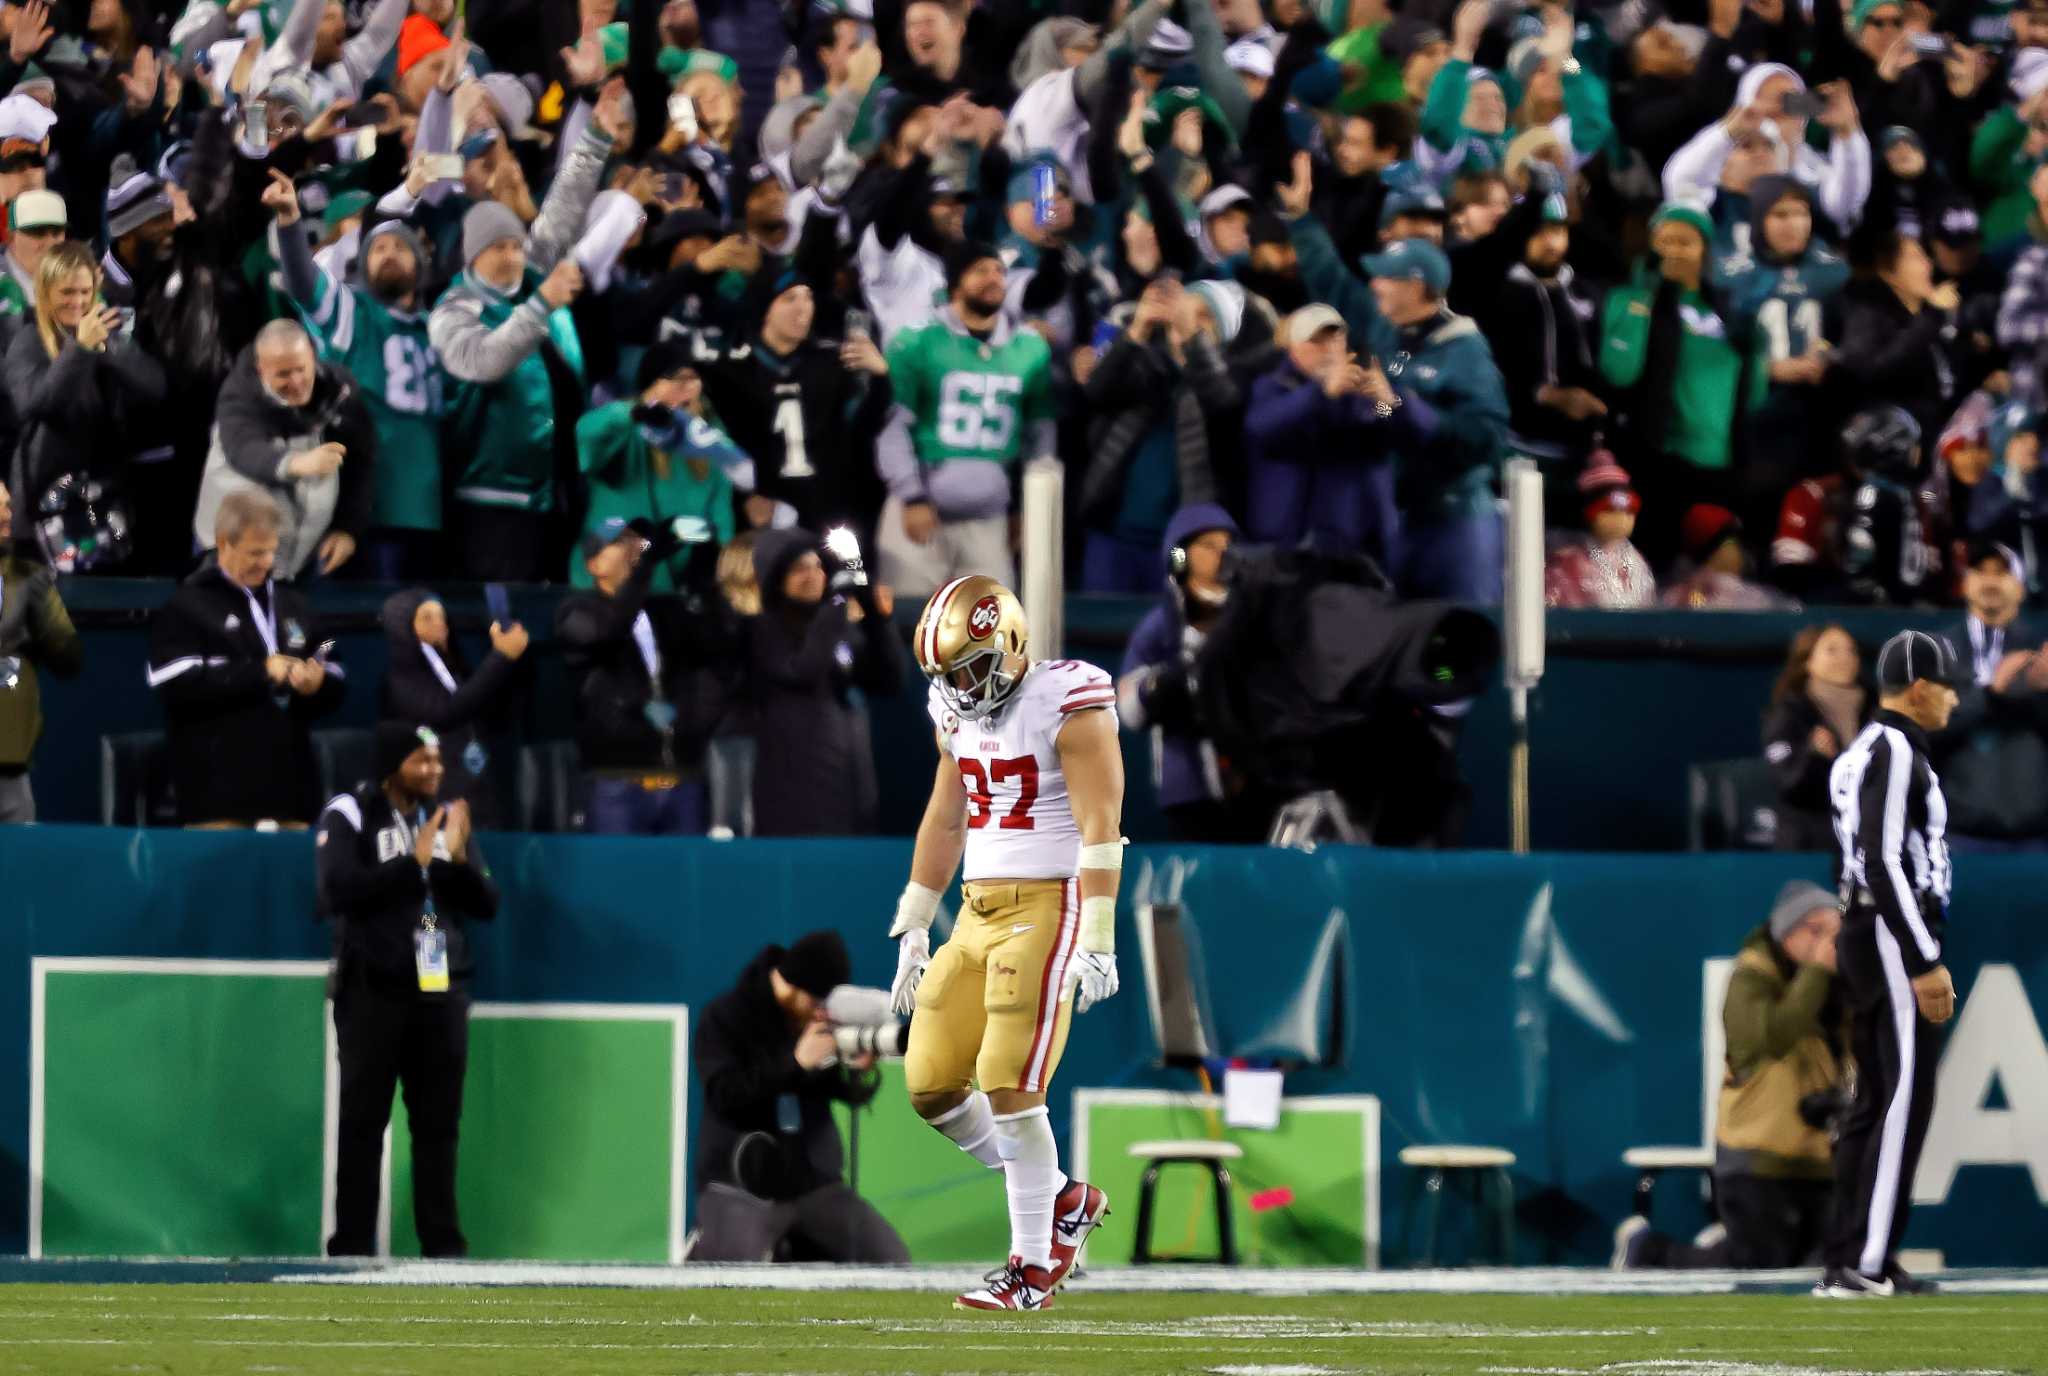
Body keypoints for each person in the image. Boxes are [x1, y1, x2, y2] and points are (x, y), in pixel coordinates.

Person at [887, 575, 1121, 1310]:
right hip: (977, 911)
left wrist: (1101, 934)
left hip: (1049, 905)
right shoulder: (953, 712)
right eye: (946, 674)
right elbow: (946, 817)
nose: (960, 687)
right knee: (929, 1082)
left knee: (1009, 1082)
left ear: (1009, 642)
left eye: (969, 667)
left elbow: (1101, 825)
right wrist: (916, 920)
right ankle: (1062, 1200)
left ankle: (1031, 1266)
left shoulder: (1067, 699)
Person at [317, 722, 500, 1259]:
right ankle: (351, 1244)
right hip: (372, 989)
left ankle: (442, 1245)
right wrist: (411, 863)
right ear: (393, 763)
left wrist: (459, 862)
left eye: (438, 761)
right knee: (363, 1121)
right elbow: (337, 889)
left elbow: (487, 904)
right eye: (422, 761)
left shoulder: (444, 817)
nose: (435, 771)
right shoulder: (351, 812)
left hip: (438, 989)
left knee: (438, 1124)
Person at [429, 88, 624, 581]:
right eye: (499, 248)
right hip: (488, 500)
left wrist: (596, 137)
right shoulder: (454, 308)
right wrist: (541, 304)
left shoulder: (529, 283)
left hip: (551, 486)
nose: (513, 256)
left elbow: (560, 212)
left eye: (516, 245)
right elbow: (485, 361)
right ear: (473, 256)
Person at [1819, 629, 1961, 1298]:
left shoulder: (1858, 753)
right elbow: (1882, 860)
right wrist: (1923, 954)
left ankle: (1855, 1249)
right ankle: (1865, 1261)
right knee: (1905, 1090)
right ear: (1922, 687)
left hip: (1868, 926)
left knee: (1876, 1093)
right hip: (1889, 928)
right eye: (1948, 686)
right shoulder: (1895, 747)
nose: (1955, 700)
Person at [1614, 881, 1845, 1270]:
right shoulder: (1750, 978)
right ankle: (1646, 1250)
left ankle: (1721, 1243)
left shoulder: (1834, 986)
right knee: (1757, 1266)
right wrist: (1819, 973)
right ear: (1787, 931)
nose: (1829, 944)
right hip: (1757, 1155)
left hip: (1816, 1153)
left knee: (1821, 1265)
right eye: (1817, 930)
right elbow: (1773, 1038)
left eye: (1836, 933)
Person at [267, 170, 448, 582]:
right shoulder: (353, 313)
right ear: (362, 263)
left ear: (419, 262)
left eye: (399, 247)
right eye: (377, 247)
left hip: (430, 509)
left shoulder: (437, 328)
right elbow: (303, 282)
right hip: (368, 508)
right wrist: (291, 223)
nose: (387, 253)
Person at [690, 930, 909, 1264]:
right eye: (816, 1000)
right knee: (727, 1274)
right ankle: (702, 1248)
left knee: (891, 1259)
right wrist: (795, 1063)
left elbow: (842, 1091)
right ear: (796, 986)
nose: (819, 1011)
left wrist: (859, 1071)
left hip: (813, 1185)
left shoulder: (811, 1019)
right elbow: (725, 1096)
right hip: (738, 1185)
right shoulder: (724, 1017)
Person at [147, 490, 345, 828]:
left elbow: (332, 656)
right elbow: (174, 683)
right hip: (217, 796)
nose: (266, 562)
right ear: (224, 543)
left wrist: (319, 682)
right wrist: (261, 671)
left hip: (291, 792)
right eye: (256, 552)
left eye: (271, 551)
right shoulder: (187, 606)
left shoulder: (294, 604)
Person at [875, 241, 1055, 600]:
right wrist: (911, 496)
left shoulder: (1030, 348)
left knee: (991, 632)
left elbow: (1040, 437)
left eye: (1000, 272)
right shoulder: (916, 341)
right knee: (912, 623)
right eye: (981, 271)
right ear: (955, 284)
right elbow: (892, 428)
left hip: (990, 515)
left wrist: (1026, 505)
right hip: (921, 507)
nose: (994, 279)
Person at [556, 519, 730, 836]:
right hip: (617, 779)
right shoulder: (576, 611)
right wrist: (647, 565)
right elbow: (607, 632)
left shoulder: (663, 611)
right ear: (594, 564)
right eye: (619, 542)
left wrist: (703, 560)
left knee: (684, 879)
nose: (631, 547)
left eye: (635, 541)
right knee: (619, 880)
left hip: (680, 776)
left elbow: (716, 648)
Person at [5, 241, 166, 573]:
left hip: (103, 500)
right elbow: (37, 404)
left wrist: (108, 350)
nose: (77, 302)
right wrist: (80, 349)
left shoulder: (108, 335)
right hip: (43, 506)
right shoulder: (26, 340)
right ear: (46, 291)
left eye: (84, 291)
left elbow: (155, 388)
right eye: (66, 292)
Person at [193, 320, 379, 582]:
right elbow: (243, 449)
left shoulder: (339, 393)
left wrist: (348, 528)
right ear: (261, 370)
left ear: (313, 358)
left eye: (302, 369)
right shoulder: (239, 394)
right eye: (283, 374)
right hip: (231, 549)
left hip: (302, 558)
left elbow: (361, 463)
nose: (296, 381)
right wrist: (295, 464)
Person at [747, 526, 902, 836]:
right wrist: (836, 604)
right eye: (799, 569)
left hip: (849, 775)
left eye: (817, 565)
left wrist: (875, 617)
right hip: (794, 783)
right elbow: (804, 670)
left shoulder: (839, 628)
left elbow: (889, 680)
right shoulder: (764, 630)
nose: (813, 575)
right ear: (777, 580)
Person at [1117, 504, 1259, 842]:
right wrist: (1160, 686)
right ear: (1180, 556)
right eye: (1209, 545)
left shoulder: (1251, 614)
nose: (1222, 554)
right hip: (1187, 783)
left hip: (1251, 775)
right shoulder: (1161, 626)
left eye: (1228, 546)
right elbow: (1128, 705)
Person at [1240, 301, 1398, 568]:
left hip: (1349, 540)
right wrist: (1321, 393)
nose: (1329, 350)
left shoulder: (1356, 391)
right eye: (1316, 342)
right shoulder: (1271, 386)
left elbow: (1380, 437)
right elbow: (1261, 427)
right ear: (1293, 349)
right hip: (1285, 540)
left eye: (1336, 340)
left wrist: (1387, 403)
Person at [1931, 542, 2048, 853]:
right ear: (1965, 584)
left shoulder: (2042, 649)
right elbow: (1924, 729)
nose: (1990, 580)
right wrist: (1990, 695)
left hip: (2036, 835)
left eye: (2002, 573)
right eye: (1980, 571)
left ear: (2021, 588)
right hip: (1960, 833)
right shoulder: (1937, 651)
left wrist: (2042, 694)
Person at [379, 588, 530, 819]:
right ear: (403, 626)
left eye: (442, 616)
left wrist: (512, 658)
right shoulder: (400, 679)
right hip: (435, 802)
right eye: (427, 617)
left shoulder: (453, 667)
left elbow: (487, 706)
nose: (440, 623)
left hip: (476, 792)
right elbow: (446, 713)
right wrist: (501, 658)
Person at [0, 476, 80, 822]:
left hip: (10, 771)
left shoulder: (27, 579)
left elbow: (68, 655)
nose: (9, 512)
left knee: (19, 869)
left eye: (8, 504)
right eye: (0, 505)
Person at [1765, 624, 1867, 853]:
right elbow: (1788, 782)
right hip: (1810, 846)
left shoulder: (1874, 711)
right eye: (1832, 650)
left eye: (1852, 651)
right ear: (1807, 662)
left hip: (1865, 846)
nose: (1845, 658)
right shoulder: (1790, 713)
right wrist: (1814, 755)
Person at [1543, 463, 1657, 609]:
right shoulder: (1569, 561)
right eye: (1610, 511)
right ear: (1589, 513)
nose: (1621, 519)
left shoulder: (1636, 561)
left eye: (1629, 512)